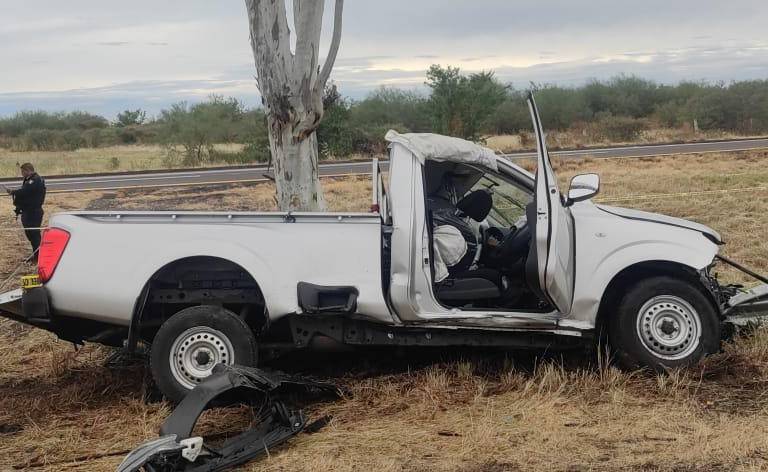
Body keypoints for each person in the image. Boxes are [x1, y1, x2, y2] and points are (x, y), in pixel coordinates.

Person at [6, 163, 46, 262]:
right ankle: (35, 255)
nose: (22, 173)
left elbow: (25, 191)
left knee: (34, 234)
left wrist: (13, 192)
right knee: (30, 234)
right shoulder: (29, 179)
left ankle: (39, 257)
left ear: (28, 170)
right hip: (28, 211)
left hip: (33, 212)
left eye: (23, 171)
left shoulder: (35, 180)